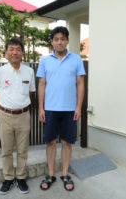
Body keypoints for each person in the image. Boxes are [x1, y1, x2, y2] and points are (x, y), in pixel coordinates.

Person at [36, 26, 85, 191]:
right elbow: (41, 84)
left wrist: (78, 106)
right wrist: (40, 108)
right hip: (50, 109)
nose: (59, 42)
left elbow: (80, 83)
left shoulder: (76, 59)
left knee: (66, 143)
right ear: (52, 42)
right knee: (50, 142)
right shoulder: (45, 61)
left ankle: (65, 174)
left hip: (70, 109)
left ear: (67, 40)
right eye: (56, 39)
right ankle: (51, 174)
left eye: (62, 39)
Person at [0, 38, 36, 195]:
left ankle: (21, 177)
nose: (15, 52)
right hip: (5, 116)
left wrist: (19, 106)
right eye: (11, 49)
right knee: (6, 150)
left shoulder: (29, 71)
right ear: (6, 52)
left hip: (24, 115)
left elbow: (30, 92)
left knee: (23, 150)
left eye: (18, 49)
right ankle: (9, 178)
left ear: (22, 53)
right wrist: (4, 108)